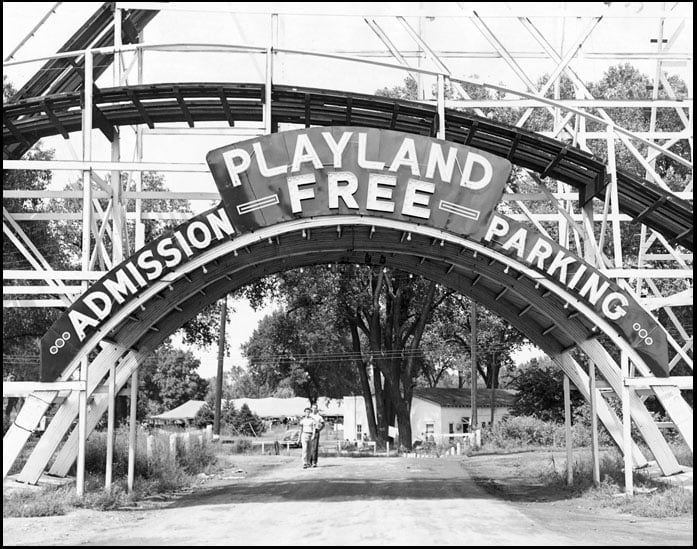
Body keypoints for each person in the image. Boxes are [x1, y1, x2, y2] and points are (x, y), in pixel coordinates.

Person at [309, 403, 325, 467]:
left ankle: (314, 462)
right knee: (309, 447)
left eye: (315, 408)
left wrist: (319, 429)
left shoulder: (319, 417)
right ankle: (309, 461)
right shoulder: (309, 415)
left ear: (317, 409)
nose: (314, 409)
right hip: (309, 431)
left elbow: (323, 424)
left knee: (315, 448)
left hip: (316, 431)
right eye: (313, 408)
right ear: (311, 408)